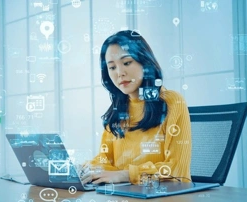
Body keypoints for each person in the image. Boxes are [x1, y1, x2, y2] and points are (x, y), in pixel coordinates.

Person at [80, 30, 192, 185]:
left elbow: (177, 169)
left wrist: (125, 175)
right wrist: (86, 168)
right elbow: (106, 161)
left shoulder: (173, 102)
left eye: (126, 63)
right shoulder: (117, 110)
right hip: (125, 194)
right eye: (112, 67)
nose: (120, 73)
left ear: (145, 62)